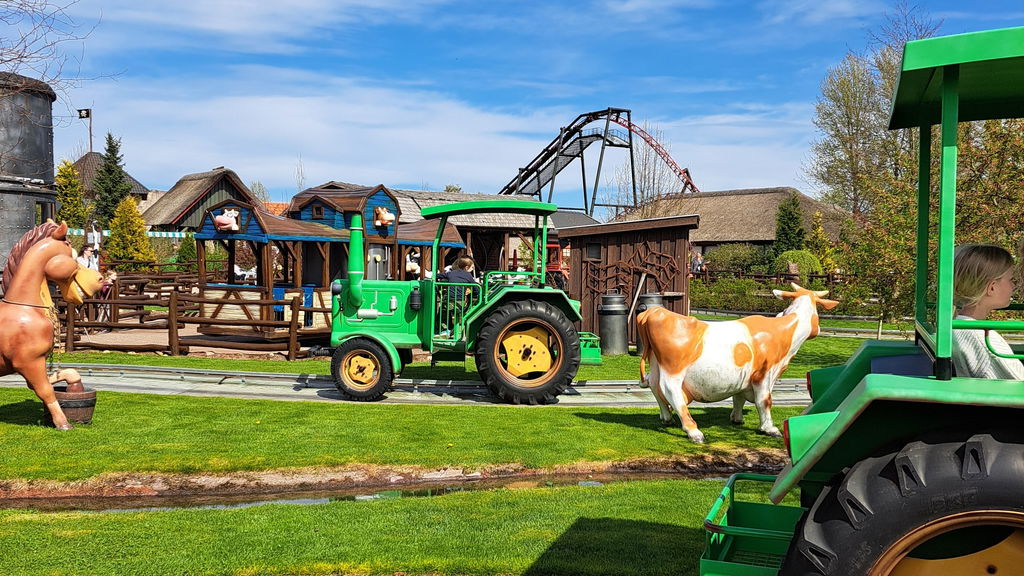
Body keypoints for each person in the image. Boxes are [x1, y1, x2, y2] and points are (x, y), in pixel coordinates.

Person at [952, 244, 1024, 380]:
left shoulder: (958, 326)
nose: (1014, 285)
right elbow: (1019, 381)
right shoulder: (988, 342)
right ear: (992, 288)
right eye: (1011, 280)